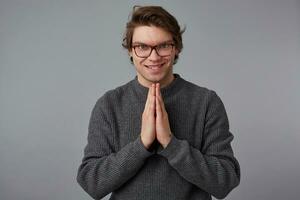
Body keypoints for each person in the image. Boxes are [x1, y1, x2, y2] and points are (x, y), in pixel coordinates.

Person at [77, 5, 240, 200]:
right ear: (130, 50)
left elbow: (225, 182)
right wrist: (142, 145)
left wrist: (170, 144)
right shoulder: (109, 105)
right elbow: (91, 183)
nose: (153, 57)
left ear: (176, 48)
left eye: (163, 46)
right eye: (142, 47)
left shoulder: (206, 102)